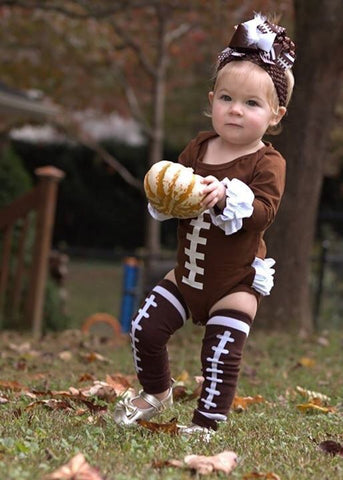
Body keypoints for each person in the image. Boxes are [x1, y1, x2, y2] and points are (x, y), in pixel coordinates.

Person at [114, 13, 295, 436]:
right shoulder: (197, 147)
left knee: (220, 353)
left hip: (235, 281)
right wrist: (164, 195)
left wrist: (231, 196)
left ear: (274, 114)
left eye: (251, 104)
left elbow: (264, 212)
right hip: (187, 275)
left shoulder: (268, 162)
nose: (235, 110)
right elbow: (174, 195)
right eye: (226, 98)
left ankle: (206, 424)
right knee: (145, 327)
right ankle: (157, 391)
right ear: (212, 99)